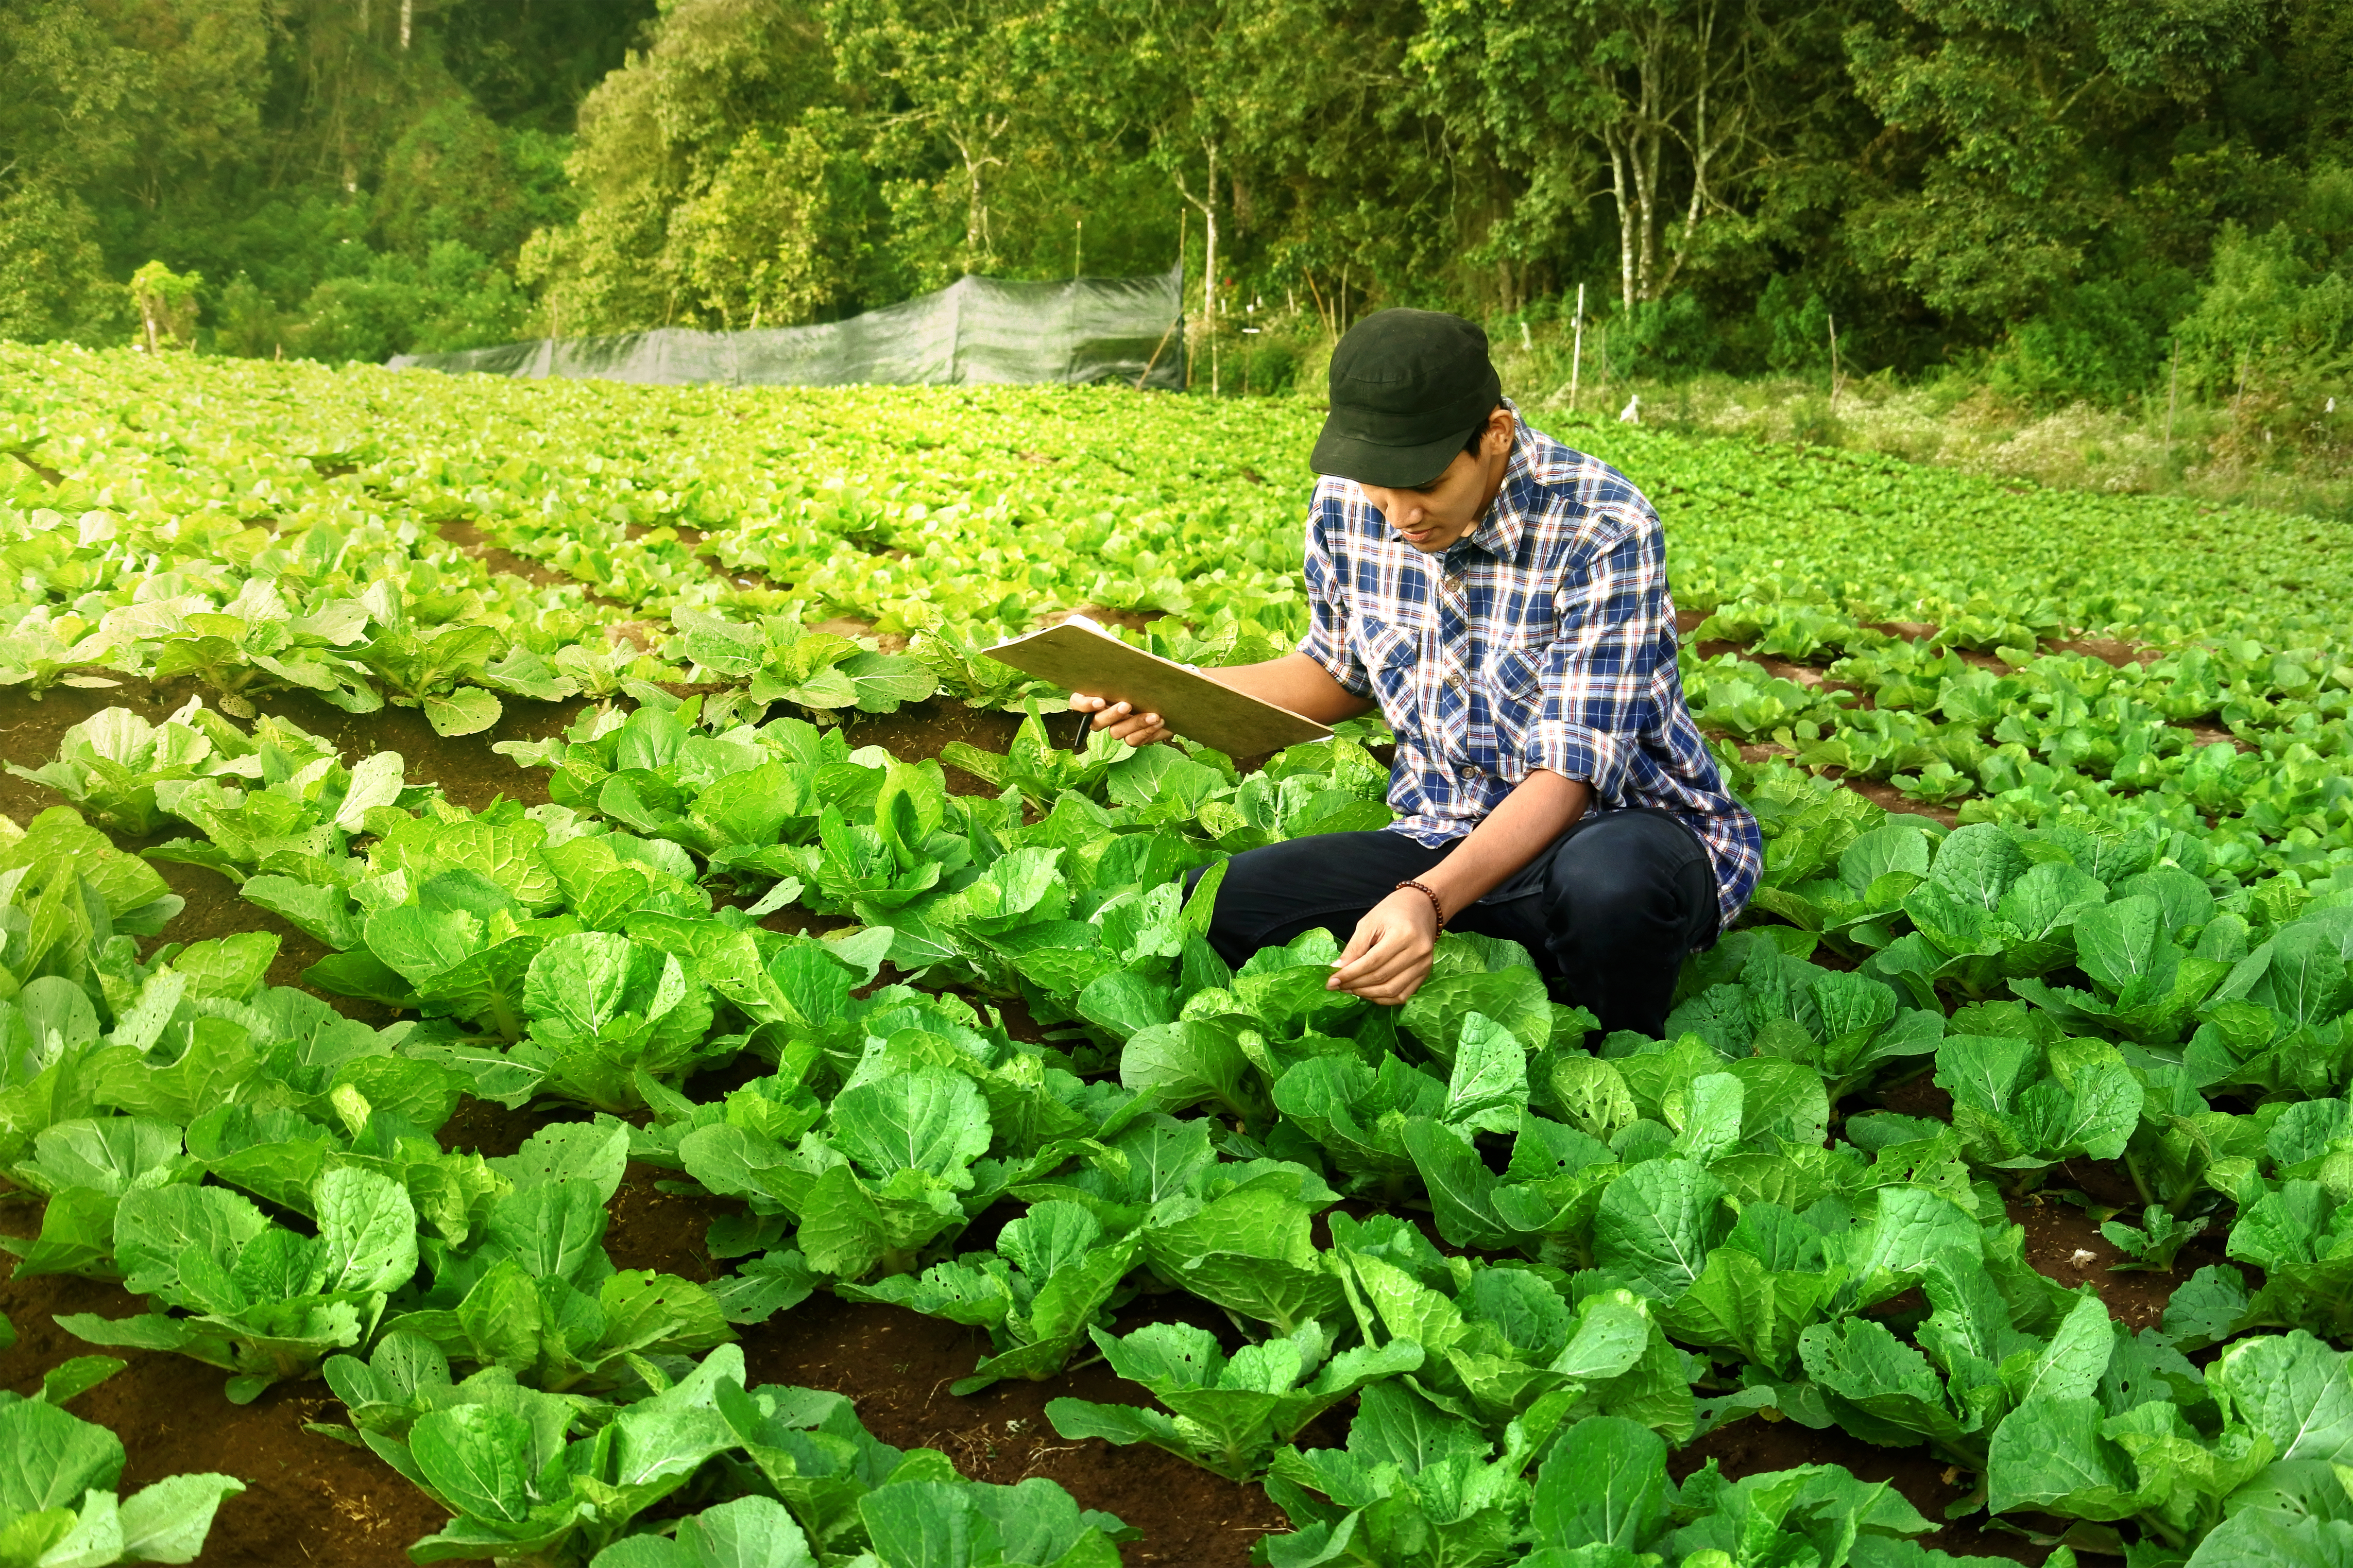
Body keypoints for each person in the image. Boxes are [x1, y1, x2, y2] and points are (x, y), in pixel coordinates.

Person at [1070, 308, 1760, 1039]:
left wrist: (1426, 901)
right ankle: (1503, 958)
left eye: (1424, 483)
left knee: (1607, 887)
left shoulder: (1602, 526)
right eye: (1379, 485)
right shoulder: (1347, 502)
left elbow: (1569, 778)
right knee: (1206, 908)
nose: (1399, 515)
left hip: (1616, 831)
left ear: (1494, 435)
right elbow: (1335, 672)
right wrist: (1171, 692)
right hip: (1441, 832)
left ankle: (1619, 1058)